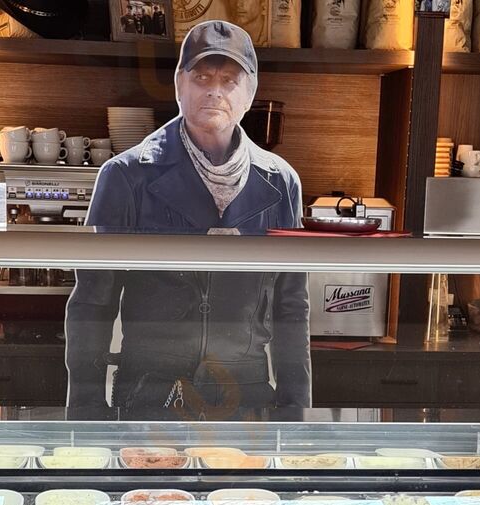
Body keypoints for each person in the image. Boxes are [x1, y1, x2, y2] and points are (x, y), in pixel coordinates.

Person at [65, 20, 310, 420]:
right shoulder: (126, 175)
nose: (214, 90)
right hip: (149, 396)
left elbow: (291, 307)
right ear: (179, 84)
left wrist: (295, 411)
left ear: (250, 93)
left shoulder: (281, 181)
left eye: (229, 80)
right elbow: (92, 303)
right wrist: (86, 412)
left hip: (246, 399)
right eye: (201, 77)